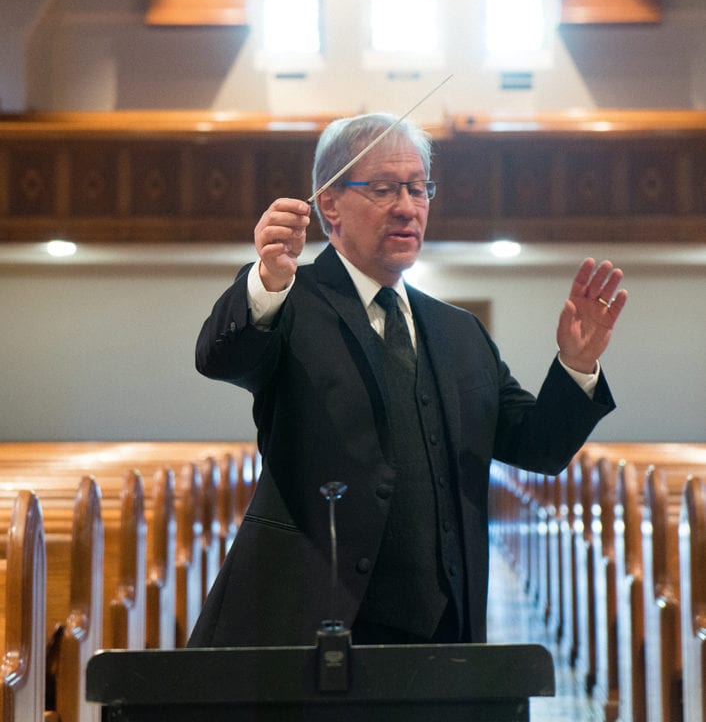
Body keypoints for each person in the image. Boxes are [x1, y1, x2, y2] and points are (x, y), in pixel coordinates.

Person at [188, 112, 627, 648]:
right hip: (311, 626)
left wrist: (576, 365)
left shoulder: (459, 331)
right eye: (382, 189)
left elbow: (538, 446)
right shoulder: (290, 301)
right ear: (329, 203)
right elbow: (222, 358)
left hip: (444, 633)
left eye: (419, 189)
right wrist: (266, 280)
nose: (407, 206)